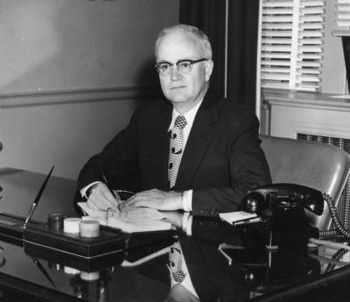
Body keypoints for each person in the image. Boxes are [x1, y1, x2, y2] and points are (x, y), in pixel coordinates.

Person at [76, 24, 271, 231]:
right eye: (165, 66)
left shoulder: (236, 120)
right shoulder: (147, 117)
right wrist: (94, 187)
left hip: (209, 247)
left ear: (207, 69)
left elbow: (257, 192)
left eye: (184, 64)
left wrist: (179, 199)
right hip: (152, 245)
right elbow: (99, 165)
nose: (174, 76)